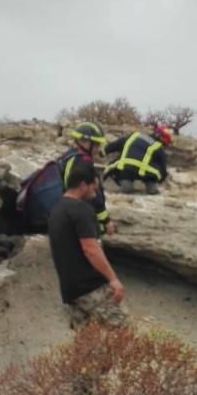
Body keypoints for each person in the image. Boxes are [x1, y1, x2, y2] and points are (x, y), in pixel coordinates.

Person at [47, 160, 127, 328]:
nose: (95, 193)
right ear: (83, 185)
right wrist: (113, 279)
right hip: (91, 287)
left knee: (87, 345)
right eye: (93, 187)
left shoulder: (56, 210)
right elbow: (91, 249)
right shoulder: (81, 210)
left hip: (70, 291)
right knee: (124, 336)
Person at [64, 122, 115, 234]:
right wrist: (106, 221)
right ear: (84, 142)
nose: (98, 149)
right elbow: (94, 195)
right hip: (76, 215)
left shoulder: (68, 156)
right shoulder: (84, 163)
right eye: (96, 145)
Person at [103, 124, 172, 195]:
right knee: (153, 173)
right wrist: (159, 181)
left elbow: (116, 145)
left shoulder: (134, 136)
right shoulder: (158, 147)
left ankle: (126, 186)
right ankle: (151, 186)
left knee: (126, 181)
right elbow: (163, 169)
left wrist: (103, 151)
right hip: (147, 174)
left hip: (127, 169)